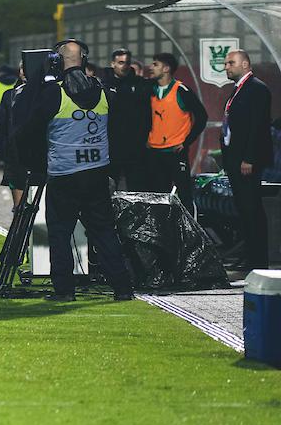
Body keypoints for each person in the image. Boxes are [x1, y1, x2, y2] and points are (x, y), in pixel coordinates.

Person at [16, 40, 135, 302]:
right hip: (97, 173)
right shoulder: (103, 92)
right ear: (84, 59)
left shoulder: (53, 93)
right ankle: (123, 288)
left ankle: (65, 290)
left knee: (60, 233)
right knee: (104, 232)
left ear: (57, 62)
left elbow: (27, 127)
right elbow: (119, 131)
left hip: (64, 174)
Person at [222, 50, 273, 272]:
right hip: (235, 160)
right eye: (225, 63)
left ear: (245, 64)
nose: (226, 67)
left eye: (231, 63)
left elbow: (258, 127)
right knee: (244, 209)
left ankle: (258, 261)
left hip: (247, 161)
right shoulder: (238, 90)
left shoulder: (257, 89)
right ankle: (250, 257)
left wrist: (249, 158)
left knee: (252, 209)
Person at [144, 52, 207, 214]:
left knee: (185, 196)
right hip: (154, 153)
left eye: (155, 64)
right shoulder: (148, 90)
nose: (151, 67)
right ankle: (164, 235)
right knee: (158, 198)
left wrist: (186, 142)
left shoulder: (181, 90)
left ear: (166, 69)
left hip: (175, 152)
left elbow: (202, 117)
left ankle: (191, 235)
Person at [104, 48, 152, 191]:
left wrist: (144, 136)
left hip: (135, 147)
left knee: (136, 187)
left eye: (127, 62)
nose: (124, 66)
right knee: (110, 186)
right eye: (120, 62)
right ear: (112, 64)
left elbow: (147, 113)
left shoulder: (139, 85)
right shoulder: (104, 86)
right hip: (111, 146)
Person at [0, 64, 27, 209]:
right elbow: (0, 125)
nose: (23, 72)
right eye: (21, 68)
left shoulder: (49, 93)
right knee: (20, 207)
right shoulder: (10, 95)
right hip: (16, 157)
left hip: (43, 158)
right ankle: (19, 229)